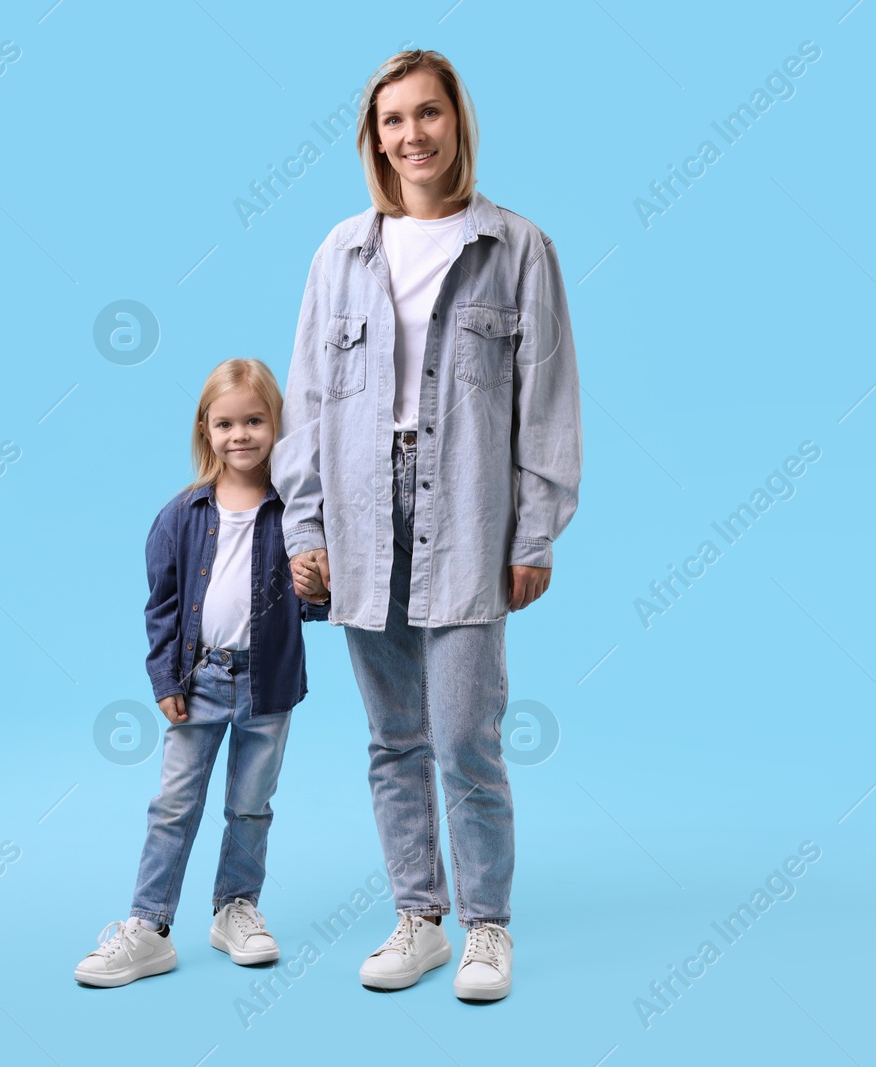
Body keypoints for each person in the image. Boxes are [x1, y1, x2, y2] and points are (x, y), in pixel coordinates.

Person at [271, 48, 582, 1002]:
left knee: (465, 735)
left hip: (469, 504)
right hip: (363, 513)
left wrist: (535, 532)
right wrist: (304, 525)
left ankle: (489, 925)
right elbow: (311, 400)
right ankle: (420, 916)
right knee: (391, 737)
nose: (413, 135)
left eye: (428, 113)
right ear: (374, 139)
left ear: (459, 121)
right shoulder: (340, 252)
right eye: (393, 120)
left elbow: (549, 398)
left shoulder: (516, 247)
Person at [74, 358, 330, 988]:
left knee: (250, 805)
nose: (240, 434)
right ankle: (149, 925)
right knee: (173, 804)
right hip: (201, 682)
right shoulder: (181, 514)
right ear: (205, 431)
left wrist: (319, 587)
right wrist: (165, 681)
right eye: (225, 423)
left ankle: (235, 908)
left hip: (269, 685)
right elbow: (161, 606)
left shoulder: (294, 514)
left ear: (278, 426)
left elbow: (314, 606)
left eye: (254, 420)